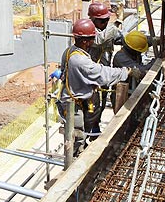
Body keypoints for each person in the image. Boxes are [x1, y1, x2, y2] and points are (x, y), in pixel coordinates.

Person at [59, 18, 140, 155]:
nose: (93, 42)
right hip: (73, 105)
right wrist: (126, 71)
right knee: (77, 137)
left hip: (75, 98)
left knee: (83, 130)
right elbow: (102, 74)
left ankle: (82, 149)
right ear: (85, 40)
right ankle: (74, 164)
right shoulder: (80, 60)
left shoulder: (70, 51)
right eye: (91, 38)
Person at [87, 1, 122, 66]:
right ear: (93, 19)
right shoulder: (87, 28)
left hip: (104, 69)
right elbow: (99, 41)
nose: (106, 23)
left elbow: (121, 37)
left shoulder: (107, 29)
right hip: (91, 70)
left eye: (107, 19)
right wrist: (115, 24)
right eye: (103, 20)